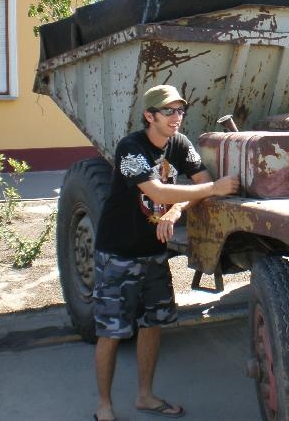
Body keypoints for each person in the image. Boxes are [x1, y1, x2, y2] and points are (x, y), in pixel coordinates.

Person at [93, 84, 239, 421]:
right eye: (169, 111)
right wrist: (214, 188)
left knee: (153, 324)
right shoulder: (131, 148)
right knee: (112, 331)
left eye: (180, 111)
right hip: (119, 254)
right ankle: (104, 405)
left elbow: (196, 183)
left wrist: (175, 212)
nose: (177, 117)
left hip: (154, 254)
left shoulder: (180, 144)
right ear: (150, 116)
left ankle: (145, 396)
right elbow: (156, 189)